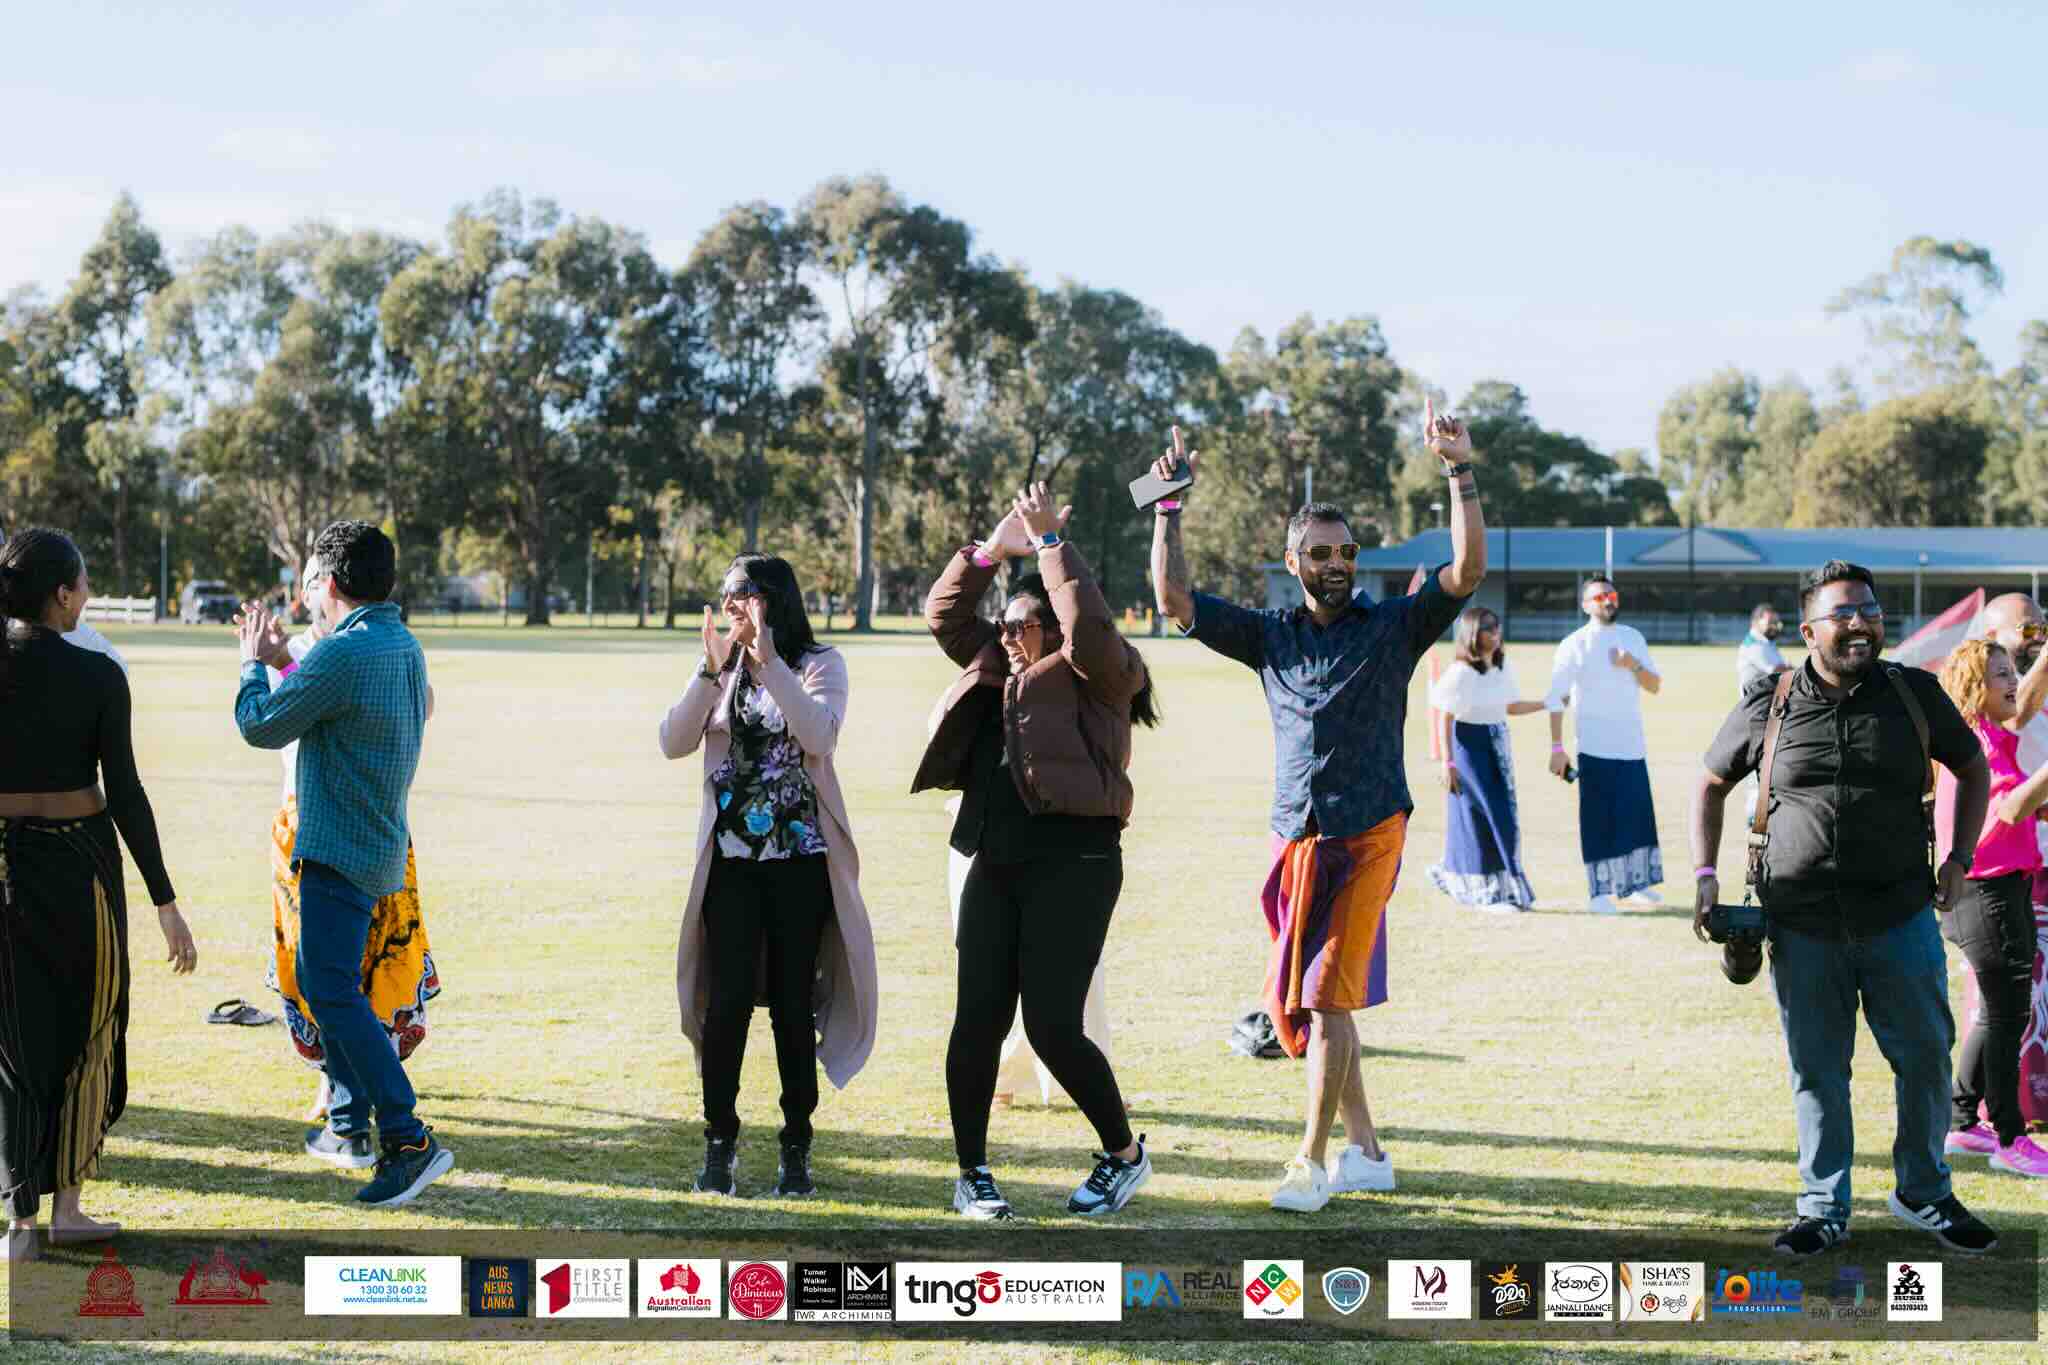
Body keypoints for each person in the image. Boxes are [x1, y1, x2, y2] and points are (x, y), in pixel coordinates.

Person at [1151, 406, 1485, 1214]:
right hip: (1294, 836)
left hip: (1370, 830)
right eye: (1321, 553)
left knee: (1326, 996)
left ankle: (1307, 1161)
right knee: (1308, 994)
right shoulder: (1270, 635)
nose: (1336, 564)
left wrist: (1458, 471)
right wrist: (1164, 508)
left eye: (1346, 552)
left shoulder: (1396, 624)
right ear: (1294, 559)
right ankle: (1366, 1151)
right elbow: (1173, 598)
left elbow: (1467, 568)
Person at [1693, 559, 2000, 1256]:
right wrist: (1706, 874)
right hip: (1801, 925)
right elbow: (1710, 781)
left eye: (1869, 609)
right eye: (1844, 613)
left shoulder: (1914, 693)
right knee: (1819, 1069)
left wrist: (1959, 858)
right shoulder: (1768, 701)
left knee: (1925, 1057)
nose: (1861, 622)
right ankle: (1822, 1206)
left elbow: (1973, 765)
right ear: (1808, 629)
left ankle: (1924, 1191)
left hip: (1900, 916)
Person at [913, 483, 1159, 1220]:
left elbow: (1086, 629)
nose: (1012, 634)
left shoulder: (1101, 675)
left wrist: (1054, 546)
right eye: (1009, 623)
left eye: (1027, 623)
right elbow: (944, 612)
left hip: (1077, 862)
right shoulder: (998, 666)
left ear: (1053, 622)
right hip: (995, 858)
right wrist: (993, 549)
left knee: (1054, 1024)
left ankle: (1124, 1154)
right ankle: (972, 1173)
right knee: (978, 1018)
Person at [233, 520, 452, 1210]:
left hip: (336, 847)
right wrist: (287, 659)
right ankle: (370, 1125)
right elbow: (339, 707)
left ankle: (407, 1135)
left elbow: (260, 723)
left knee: (328, 987)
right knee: (338, 988)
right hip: (381, 843)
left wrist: (251, 662)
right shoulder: (401, 645)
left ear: (328, 585)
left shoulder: (344, 650)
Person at [0, 528, 196, 1262]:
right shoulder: (99, 675)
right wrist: (165, 901)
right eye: (81, 585)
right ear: (62, 595)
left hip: (5, 864)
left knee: (11, 1040)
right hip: (82, 865)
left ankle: (21, 1222)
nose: (84, 596)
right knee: (89, 1021)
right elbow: (128, 795)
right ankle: (68, 1206)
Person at [661, 553, 878, 1200]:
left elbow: (819, 736)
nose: (731, 607)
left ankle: (795, 1146)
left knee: (790, 1005)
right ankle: (718, 1143)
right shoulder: (718, 670)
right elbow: (672, 740)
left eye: (742, 596)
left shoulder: (820, 665)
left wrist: (768, 661)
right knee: (724, 1006)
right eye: (725, 596)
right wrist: (710, 668)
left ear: (773, 599)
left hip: (800, 863)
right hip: (731, 864)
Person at [930, 696, 1117, 1110]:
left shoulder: (1074, 687)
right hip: (987, 844)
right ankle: (1004, 1079)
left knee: (1063, 989)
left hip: (1061, 850)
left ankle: (1068, 1082)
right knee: (990, 989)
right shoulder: (976, 686)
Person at [1933, 639, 2048, 1176]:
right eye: (2001, 673)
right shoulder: (1976, 742)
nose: (2012, 680)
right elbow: (2009, 803)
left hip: (1988, 891)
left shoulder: (1985, 736)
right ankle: (2008, 1137)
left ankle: (1963, 1124)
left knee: (1996, 1014)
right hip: (1988, 893)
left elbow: (2022, 708)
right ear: (1977, 689)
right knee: (2008, 1016)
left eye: (2013, 670)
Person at [1545, 576, 1664, 913]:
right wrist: (1557, 747)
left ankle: (1636, 884)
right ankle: (1598, 893)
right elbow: (1556, 698)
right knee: (1599, 820)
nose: (1607, 601)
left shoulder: (1632, 638)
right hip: (1594, 746)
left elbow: (1654, 686)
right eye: (1598, 597)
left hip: (1631, 744)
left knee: (1636, 817)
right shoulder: (1574, 644)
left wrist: (1632, 664)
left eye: (1610, 595)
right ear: (1586, 605)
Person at [1426, 606, 1545, 911]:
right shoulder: (1461, 673)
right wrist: (1447, 763)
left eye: (1497, 626)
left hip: (1497, 742)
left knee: (1504, 815)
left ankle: (1505, 886)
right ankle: (1482, 890)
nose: (1496, 632)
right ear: (1472, 634)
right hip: (1468, 746)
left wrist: (1547, 703)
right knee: (1480, 815)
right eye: (1488, 627)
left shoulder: (1502, 668)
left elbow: (1511, 707)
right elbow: (1445, 716)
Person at [1972, 592, 2048, 897]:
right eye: (2029, 630)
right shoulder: (1987, 687)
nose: (2039, 637)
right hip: (2029, 861)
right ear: (1992, 636)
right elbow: (2014, 719)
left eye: (2044, 629)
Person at [1737, 603, 1791, 694]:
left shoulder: (1765, 641)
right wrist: (1797, 672)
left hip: (1767, 697)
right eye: (1770, 622)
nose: (1774, 626)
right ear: (1755, 622)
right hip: (1757, 703)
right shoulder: (1753, 645)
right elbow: (1777, 670)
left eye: (1775, 622)